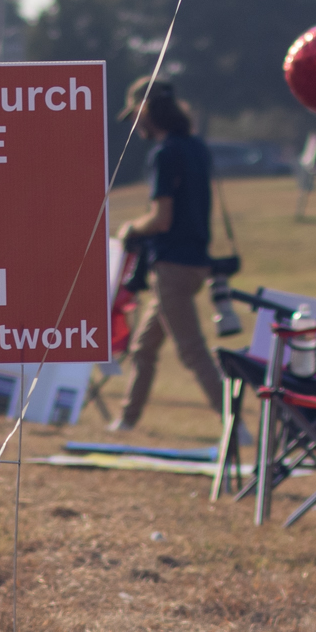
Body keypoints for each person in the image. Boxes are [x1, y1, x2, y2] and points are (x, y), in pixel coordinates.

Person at [109, 76, 228, 433]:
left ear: (146, 111)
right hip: (195, 263)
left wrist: (130, 228)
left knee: (192, 351)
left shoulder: (163, 154)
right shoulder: (195, 147)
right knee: (144, 348)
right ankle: (127, 420)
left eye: (134, 115)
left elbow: (161, 219)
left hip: (172, 266)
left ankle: (235, 423)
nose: (133, 123)